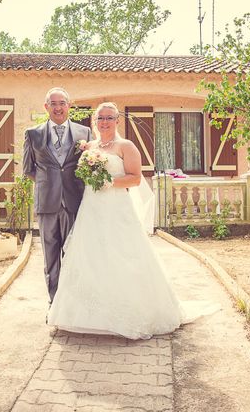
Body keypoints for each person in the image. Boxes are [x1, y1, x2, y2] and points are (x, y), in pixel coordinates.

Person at [48, 102, 210, 339]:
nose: (104, 122)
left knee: (123, 255)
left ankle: (130, 314)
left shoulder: (126, 146)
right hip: (91, 208)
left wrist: (109, 182)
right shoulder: (89, 146)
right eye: (100, 118)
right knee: (90, 257)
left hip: (117, 209)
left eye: (109, 118)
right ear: (94, 121)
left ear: (117, 121)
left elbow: (135, 179)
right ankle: (87, 316)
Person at [22, 87, 92, 304]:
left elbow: (89, 168)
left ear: (68, 106)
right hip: (47, 205)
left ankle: (73, 303)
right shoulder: (33, 134)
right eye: (53, 104)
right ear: (46, 107)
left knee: (74, 255)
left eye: (62, 103)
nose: (58, 108)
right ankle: (54, 302)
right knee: (50, 258)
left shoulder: (84, 133)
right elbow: (28, 169)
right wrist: (48, 185)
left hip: (74, 202)